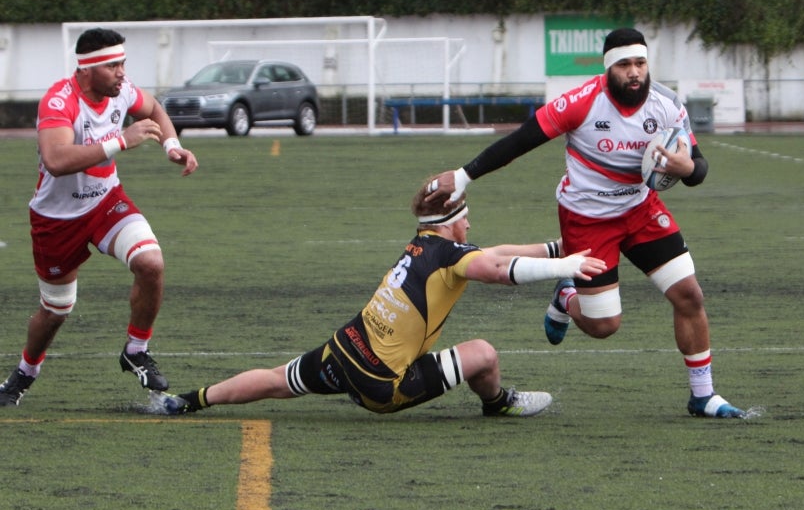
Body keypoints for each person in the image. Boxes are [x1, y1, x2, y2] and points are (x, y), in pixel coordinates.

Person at [425, 28, 745, 418]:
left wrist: (688, 166)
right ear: (608, 68)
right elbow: (520, 142)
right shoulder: (582, 102)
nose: (634, 73)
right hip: (587, 219)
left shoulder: (667, 103)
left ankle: (703, 396)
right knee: (604, 326)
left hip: (641, 211)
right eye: (624, 64)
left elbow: (698, 168)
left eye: (640, 63)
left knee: (690, 295)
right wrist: (462, 176)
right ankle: (566, 297)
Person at [151, 178, 605, 417]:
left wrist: (557, 248)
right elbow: (498, 269)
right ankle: (498, 403)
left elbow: (496, 253)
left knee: (275, 380)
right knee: (484, 354)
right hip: (381, 387)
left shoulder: (422, 244)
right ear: (453, 221)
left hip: (342, 350)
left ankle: (193, 400)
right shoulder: (452, 255)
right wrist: (562, 268)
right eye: (467, 218)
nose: (470, 225)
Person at [0, 28, 199, 407]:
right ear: (88, 70)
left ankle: (136, 350)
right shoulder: (59, 101)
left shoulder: (120, 90)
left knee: (151, 263)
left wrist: (172, 145)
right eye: (113, 65)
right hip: (56, 220)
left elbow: (154, 108)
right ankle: (25, 373)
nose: (122, 73)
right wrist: (121, 140)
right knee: (56, 311)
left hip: (106, 202)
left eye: (123, 63)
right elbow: (56, 160)